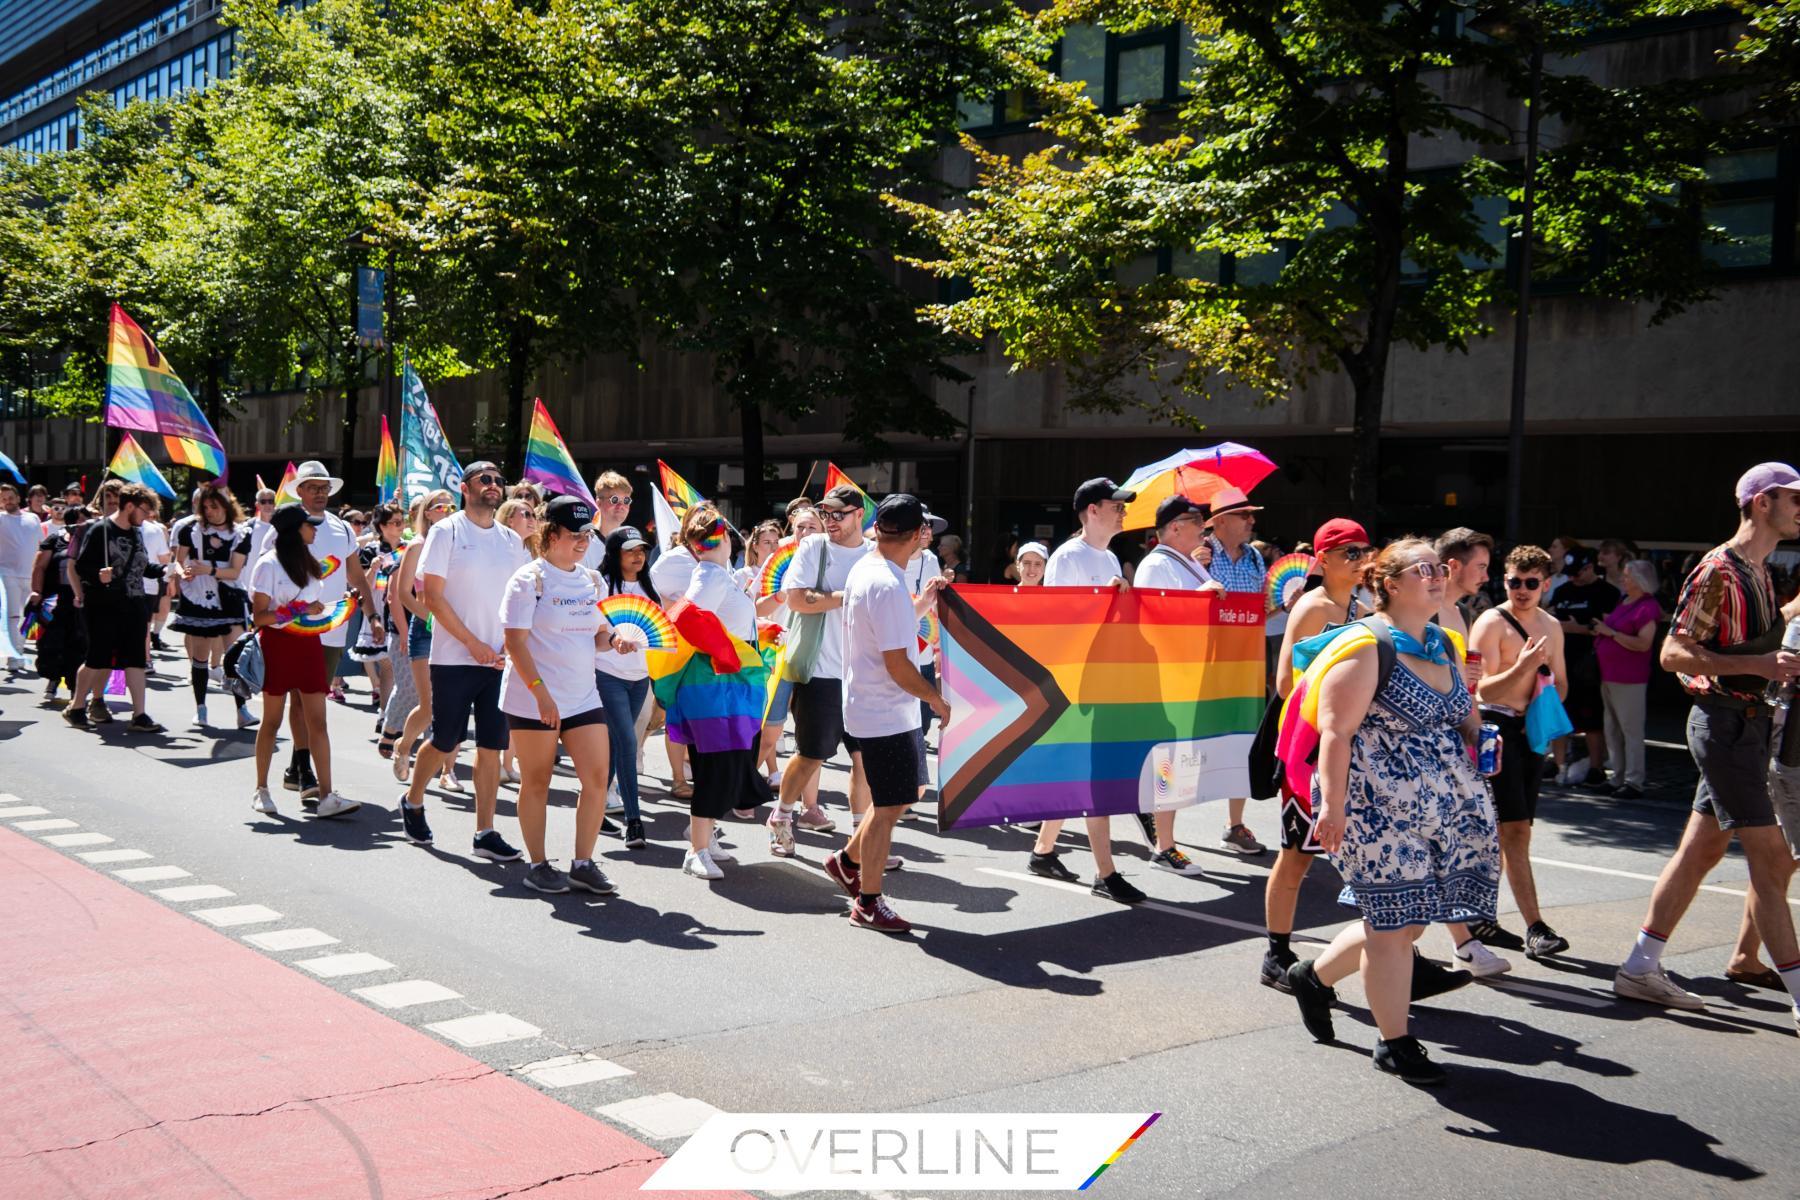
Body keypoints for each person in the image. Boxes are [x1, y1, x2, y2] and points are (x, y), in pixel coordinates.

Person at [1283, 540, 1500, 1086]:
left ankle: (1312, 975)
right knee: (1393, 925)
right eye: (1423, 568)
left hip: (1443, 804)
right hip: (1375, 807)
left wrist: (1479, 737)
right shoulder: (1365, 647)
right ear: (1392, 583)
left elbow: (1463, 714)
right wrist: (1330, 807)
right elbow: (1336, 734)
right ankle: (1395, 1042)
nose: (1437, 575)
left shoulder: (1445, 644)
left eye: (1439, 567)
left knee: (1408, 921)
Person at [1614, 463, 1800, 1028]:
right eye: (1795, 498)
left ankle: (1639, 966)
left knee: (1701, 852)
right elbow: (1673, 653)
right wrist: (1759, 664)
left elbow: (1761, 640)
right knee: (1772, 860)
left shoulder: (1762, 572)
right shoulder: (1719, 568)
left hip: (1744, 726)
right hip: (1723, 728)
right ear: (1762, 502)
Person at [823, 495, 952, 932]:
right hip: (884, 710)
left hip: (875, 706)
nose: (929, 535)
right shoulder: (888, 582)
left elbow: (888, 628)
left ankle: (846, 862)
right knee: (889, 804)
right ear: (916, 535)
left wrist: (924, 601)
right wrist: (933, 698)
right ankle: (868, 901)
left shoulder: (871, 570)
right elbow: (898, 664)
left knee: (895, 800)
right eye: (927, 528)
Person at [397, 462, 530, 860]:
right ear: (465, 487)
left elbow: (520, 600)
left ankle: (485, 832)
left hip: (499, 661)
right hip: (455, 657)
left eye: (498, 481)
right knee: (445, 739)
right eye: (484, 480)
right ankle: (413, 800)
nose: (493, 486)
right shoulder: (446, 530)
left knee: (490, 747)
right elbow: (433, 598)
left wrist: (512, 647)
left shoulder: (511, 540)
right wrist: (472, 644)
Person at [501, 495, 629, 895]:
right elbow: (514, 643)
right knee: (536, 782)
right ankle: (538, 864)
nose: (583, 542)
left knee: (595, 780)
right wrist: (540, 693)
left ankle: (582, 863)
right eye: (574, 535)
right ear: (550, 534)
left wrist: (616, 639)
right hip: (533, 697)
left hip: (582, 696)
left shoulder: (590, 580)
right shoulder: (528, 580)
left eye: (588, 535)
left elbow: (597, 636)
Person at [1026, 477, 1146, 904]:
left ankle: (1042, 851)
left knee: (1082, 771)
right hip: (1078, 680)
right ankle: (1105, 872)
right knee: (1098, 776)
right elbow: (1060, 622)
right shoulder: (1068, 557)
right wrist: (1104, 601)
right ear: (1092, 510)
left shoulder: (1111, 558)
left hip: (1104, 677)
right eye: (1116, 505)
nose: (1123, 510)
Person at [1469, 544, 1570, 959]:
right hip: (1495, 728)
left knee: (1516, 830)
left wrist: (1547, 703)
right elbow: (1480, 689)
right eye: (1514, 582)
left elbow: (1562, 681)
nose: (1522, 590)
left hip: (1530, 732)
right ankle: (1533, 925)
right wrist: (1524, 667)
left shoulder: (1551, 625)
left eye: (1531, 583)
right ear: (1504, 580)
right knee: (1508, 832)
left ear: (1545, 584)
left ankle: (1483, 919)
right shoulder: (1490, 623)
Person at [767, 483, 875, 856]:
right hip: (821, 671)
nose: (829, 521)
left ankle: (861, 842)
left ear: (859, 514)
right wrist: (846, 598)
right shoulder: (814, 547)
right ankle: (781, 815)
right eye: (825, 514)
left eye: (837, 514)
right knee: (813, 753)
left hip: (864, 674)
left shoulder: (875, 555)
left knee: (864, 759)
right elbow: (797, 599)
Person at [669, 504, 773, 879]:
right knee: (715, 765)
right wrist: (724, 651)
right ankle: (696, 849)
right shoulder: (711, 573)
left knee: (726, 761)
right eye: (717, 534)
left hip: (726, 685)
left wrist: (758, 631)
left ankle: (704, 836)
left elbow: (720, 620)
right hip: (716, 687)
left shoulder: (718, 573)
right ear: (721, 539)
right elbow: (684, 616)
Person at [1128, 495, 1224, 875]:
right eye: (1195, 518)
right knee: (1172, 759)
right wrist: (1200, 597)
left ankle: (1164, 837)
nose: (1203, 525)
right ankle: (1164, 845)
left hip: (1190, 674)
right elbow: (1153, 620)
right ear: (1173, 527)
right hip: (1170, 677)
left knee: (1180, 760)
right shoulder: (1155, 564)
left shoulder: (1186, 562)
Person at [247, 504, 358, 818]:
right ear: (295, 530)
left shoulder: (309, 565)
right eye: (309, 525)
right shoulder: (267, 565)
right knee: (271, 721)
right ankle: (261, 789)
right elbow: (259, 617)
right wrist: (297, 610)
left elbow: (313, 606)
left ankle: (327, 796)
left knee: (318, 722)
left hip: (309, 644)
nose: (314, 529)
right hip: (278, 645)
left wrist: (340, 606)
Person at [285, 462, 382, 806]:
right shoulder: (286, 524)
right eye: (313, 487)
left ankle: (298, 765)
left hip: (332, 628)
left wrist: (372, 615)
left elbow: (356, 576)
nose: (320, 493)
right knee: (302, 699)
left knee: (312, 698)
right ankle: (305, 769)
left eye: (324, 487)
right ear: (300, 491)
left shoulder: (343, 529)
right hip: (294, 626)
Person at [64, 483, 164, 732]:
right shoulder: (100, 530)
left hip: (134, 603)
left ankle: (139, 715)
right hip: (103, 606)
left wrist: (165, 571)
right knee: (98, 659)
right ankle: (76, 706)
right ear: (129, 506)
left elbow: (141, 566)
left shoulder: (136, 531)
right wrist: (99, 576)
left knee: (136, 660)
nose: (147, 516)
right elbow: (81, 567)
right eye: (144, 510)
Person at [1201, 486, 1268, 855]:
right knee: (1188, 747)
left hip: (1243, 664)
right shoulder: (1201, 556)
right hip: (1205, 667)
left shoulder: (1255, 559)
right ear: (1221, 521)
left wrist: (1282, 606)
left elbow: (1257, 615)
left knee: (1243, 741)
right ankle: (1163, 831)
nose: (1252, 521)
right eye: (1245, 515)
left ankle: (1235, 824)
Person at [386, 490, 459, 791]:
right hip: (426, 630)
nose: (446, 510)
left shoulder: (459, 544)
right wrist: (430, 618)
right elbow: (403, 592)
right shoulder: (417, 546)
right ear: (427, 513)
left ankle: (448, 771)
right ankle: (403, 746)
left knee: (454, 702)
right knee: (429, 706)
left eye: (451, 506)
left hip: (455, 629)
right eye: (439, 506)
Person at [168, 484, 253, 729]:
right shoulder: (189, 530)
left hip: (229, 595)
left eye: (214, 506)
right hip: (198, 596)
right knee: (200, 656)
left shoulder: (241, 533)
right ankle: (201, 709)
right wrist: (184, 574)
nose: (210, 511)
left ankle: (242, 710)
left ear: (226, 505)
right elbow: (179, 561)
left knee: (235, 656)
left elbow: (235, 570)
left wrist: (209, 569)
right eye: (205, 507)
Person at [596, 524, 658, 849]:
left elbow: (659, 633)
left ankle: (592, 809)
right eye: (630, 550)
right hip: (606, 674)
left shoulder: (650, 586)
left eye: (642, 550)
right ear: (615, 553)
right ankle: (633, 821)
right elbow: (591, 634)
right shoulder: (602, 584)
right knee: (626, 742)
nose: (638, 556)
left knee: (613, 746)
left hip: (640, 678)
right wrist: (612, 640)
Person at [1547, 546, 1620, 788]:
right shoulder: (1562, 590)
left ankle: (1596, 767)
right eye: (1569, 573)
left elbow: (1608, 627)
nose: (1573, 577)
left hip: (1591, 663)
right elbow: (1549, 618)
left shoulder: (1607, 592)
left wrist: (1577, 628)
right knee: (1559, 715)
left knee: (1591, 719)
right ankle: (1558, 765)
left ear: (1590, 568)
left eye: (1577, 572)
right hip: (1561, 660)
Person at [1593, 559, 1661, 799]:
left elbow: (1644, 644)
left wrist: (1611, 633)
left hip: (1630, 678)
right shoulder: (1625, 601)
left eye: (1628, 576)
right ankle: (1618, 777)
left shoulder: (1648, 607)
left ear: (1640, 580)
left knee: (1630, 730)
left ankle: (1634, 781)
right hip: (1610, 675)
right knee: (1612, 728)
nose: (1623, 579)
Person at [650, 505, 699, 800]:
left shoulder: (717, 559)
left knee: (699, 716)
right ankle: (678, 778)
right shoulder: (670, 561)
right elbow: (656, 597)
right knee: (674, 718)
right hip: (676, 649)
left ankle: (697, 771)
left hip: (707, 650)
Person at [348, 504, 406, 726]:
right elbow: (364, 586)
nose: (401, 526)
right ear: (383, 526)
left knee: (397, 667)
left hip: (401, 610)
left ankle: (392, 714)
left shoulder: (407, 549)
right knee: (389, 665)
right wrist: (373, 569)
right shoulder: (371, 550)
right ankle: (386, 714)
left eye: (402, 521)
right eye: (396, 522)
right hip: (378, 612)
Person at [28, 504, 89, 704]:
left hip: (83, 601)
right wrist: (36, 591)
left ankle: (76, 690)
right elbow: (39, 567)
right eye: (76, 520)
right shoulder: (55, 540)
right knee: (53, 643)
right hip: (56, 600)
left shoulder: (94, 541)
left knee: (80, 645)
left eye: (84, 520)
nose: (80, 524)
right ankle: (53, 680)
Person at [905, 507, 950, 741]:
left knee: (922, 723)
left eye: (929, 527)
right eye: (923, 526)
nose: (928, 532)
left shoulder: (931, 559)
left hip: (923, 650)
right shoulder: (886, 558)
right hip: (896, 653)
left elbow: (934, 606)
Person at [0, 482, 44, 673]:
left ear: (18, 498)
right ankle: (13, 655)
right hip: (7, 574)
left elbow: (40, 544)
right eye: (3, 499)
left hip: (30, 575)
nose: (7, 501)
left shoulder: (33, 518)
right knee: (12, 616)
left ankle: (17, 650)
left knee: (27, 617)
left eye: (10, 497)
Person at [580, 470, 636, 569]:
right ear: (598, 503)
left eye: (626, 500)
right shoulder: (583, 544)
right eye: (614, 499)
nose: (621, 505)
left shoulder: (634, 545)